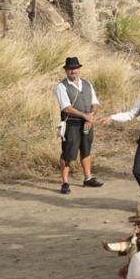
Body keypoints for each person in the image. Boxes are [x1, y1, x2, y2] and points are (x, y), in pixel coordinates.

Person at [56, 55, 103, 195]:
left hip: (87, 123)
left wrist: (90, 118)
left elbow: (95, 103)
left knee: (86, 149)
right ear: (66, 71)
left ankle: (88, 178)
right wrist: (85, 116)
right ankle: (65, 182)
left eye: (75, 68)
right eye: (70, 69)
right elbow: (66, 108)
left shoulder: (87, 84)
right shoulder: (61, 86)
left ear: (79, 69)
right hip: (71, 124)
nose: (73, 71)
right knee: (68, 152)